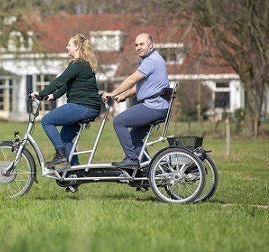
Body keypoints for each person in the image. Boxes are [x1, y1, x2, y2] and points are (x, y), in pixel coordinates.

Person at [31, 34, 102, 167]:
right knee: (65, 139)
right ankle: (74, 173)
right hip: (87, 106)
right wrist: (53, 96)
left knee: (47, 120)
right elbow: (66, 85)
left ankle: (61, 155)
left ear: (76, 47)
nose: (66, 47)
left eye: (69, 45)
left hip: (83, 106)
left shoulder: (78, 64)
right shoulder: (81, 64)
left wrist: (40, 94)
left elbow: (60, 81)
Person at [102, 33, 170, 169]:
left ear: (150, 45)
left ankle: (132, 160)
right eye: (136, 45)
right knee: (133, 139)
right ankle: (146, 169)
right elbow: (141, 86)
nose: (138, 47)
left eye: (142, 44)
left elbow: (131, 80)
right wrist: (124, 96)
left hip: (154, 106)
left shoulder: (151, 61)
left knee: (119, 121)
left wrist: (113, 93)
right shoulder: (152, 59)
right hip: (156, 106)